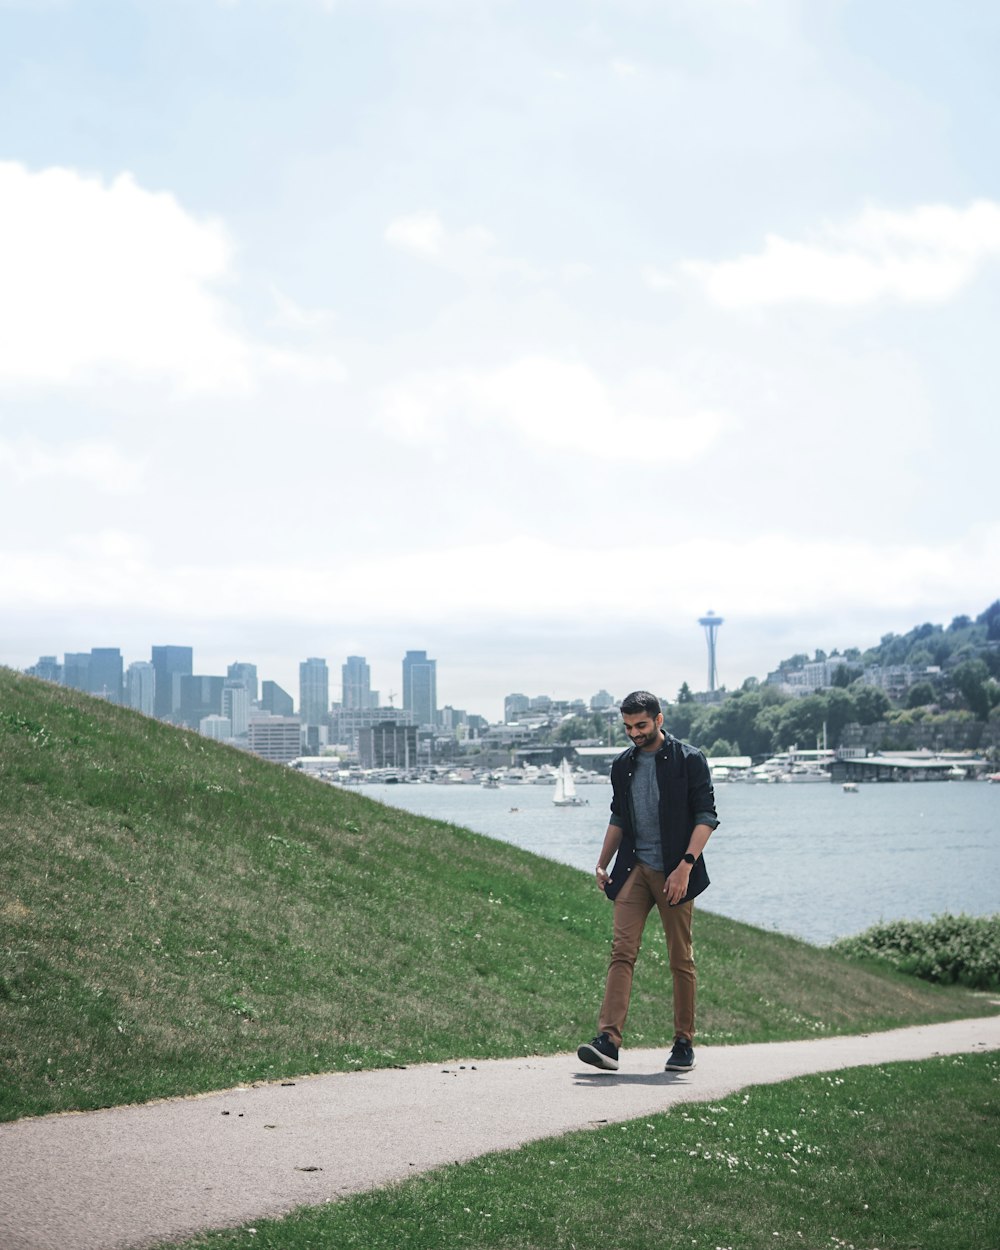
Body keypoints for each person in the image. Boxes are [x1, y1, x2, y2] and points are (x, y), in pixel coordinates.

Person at [578, 690, 719, 1073]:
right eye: (627, 727)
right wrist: (602, 862)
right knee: (622, 952)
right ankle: (608, 1040)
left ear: (659, 719)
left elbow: (706, 816)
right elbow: (619, 817)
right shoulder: (623, 764)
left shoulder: (690, 760)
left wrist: (685, 866)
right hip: (633, 870)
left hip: (676, 872)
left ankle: (683, 1042)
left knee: (680, 958)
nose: (634, 733)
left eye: (640, 725)